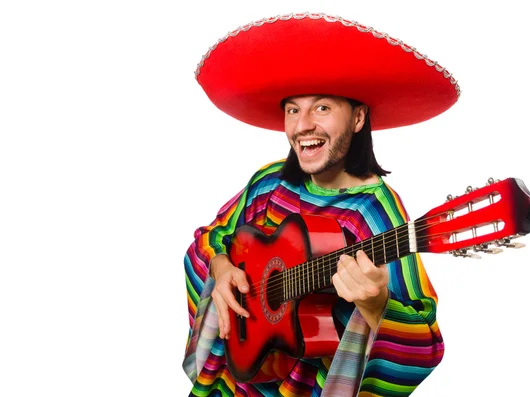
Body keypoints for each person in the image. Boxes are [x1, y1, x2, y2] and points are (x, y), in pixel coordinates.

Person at [183, 12, 460, 397]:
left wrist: (378, 304)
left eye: (323, 108)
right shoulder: (270, 181)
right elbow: (211, 237)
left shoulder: (375, 213)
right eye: (293, 109)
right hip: (231, 379)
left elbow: (424, 341)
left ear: (359, 117)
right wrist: (221, 265)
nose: (302, 126)